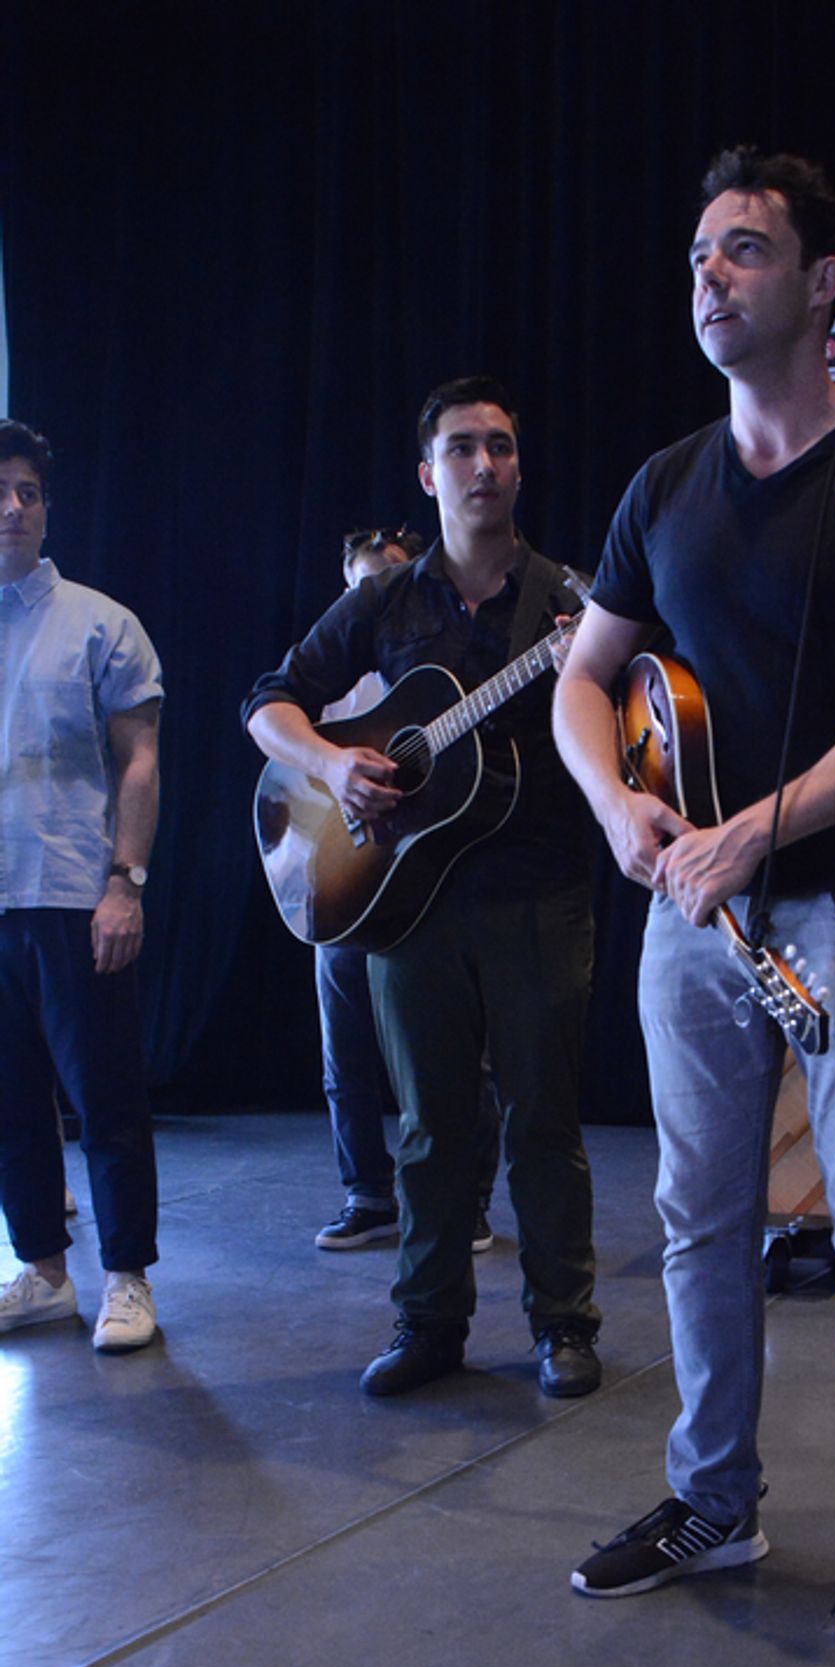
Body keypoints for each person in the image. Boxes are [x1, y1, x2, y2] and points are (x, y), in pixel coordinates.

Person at [554, 147, 835, 1656]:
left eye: (743, 250)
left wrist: (757, 834)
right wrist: (627, 814)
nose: (710, 276)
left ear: (823, 283)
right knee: (697, 1224)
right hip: (691, 916)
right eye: (699, 255)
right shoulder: (663, 485)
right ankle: (713, 1499)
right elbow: (581, 682)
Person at [245, 378, 600, 1399]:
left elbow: (638, 709)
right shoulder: (385, 601)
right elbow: (267, 702)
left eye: (498, 445)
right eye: (461, 448)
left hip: (538, 886)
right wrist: (328, 766)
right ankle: (428, 1323)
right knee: (431, 1124)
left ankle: (563, 1324)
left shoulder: (568, 602)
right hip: (406, 897)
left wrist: (598, 663)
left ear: (519, 467)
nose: (482, 464)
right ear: (428, 472)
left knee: (541, 1118)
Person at [0, 418, 163, 1352]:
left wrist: (125, 883)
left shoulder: (101, 623)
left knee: (106, 1101)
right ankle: (43, 1270)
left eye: (28, 491)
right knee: (11, 1104)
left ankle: (129, 1279)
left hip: (74, 897)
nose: (13, 507)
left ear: (47, 506)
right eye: (0, 491)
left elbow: (140, 761)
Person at [310, 525, 422, 1251]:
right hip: (349, 884)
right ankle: (367, 1194)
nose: (371, 598)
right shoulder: (329, 677)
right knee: (343, 1052)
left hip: (420, 884)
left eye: (386, 582)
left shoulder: (434, 666)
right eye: (361, 586)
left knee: (438, 1052)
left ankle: (461, 1199)